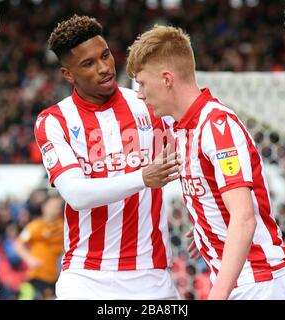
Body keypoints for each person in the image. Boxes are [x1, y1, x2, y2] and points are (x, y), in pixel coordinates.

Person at [126, 25, 285, 300]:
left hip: (260, 282)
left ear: (167, 79)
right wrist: (209, 230)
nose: (139, 93)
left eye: (142, 83)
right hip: (244, 281)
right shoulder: (183, 130)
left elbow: (244, 219)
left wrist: (217, 295)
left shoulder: (216, 126)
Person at [34, 15, 182, 300]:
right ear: (68, 75)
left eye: (105, 56)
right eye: (88, 64)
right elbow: (76, 194)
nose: (104, 68)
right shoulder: (54, 121)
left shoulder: (147, 104)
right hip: (87, 278)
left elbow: (189, 153)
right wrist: (142, 177)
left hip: (150, 276)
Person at [14, 194, 64, 299]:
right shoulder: (35, 226)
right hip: (36, 276)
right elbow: (18, 244)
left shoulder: (63, 227)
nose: (56, 208)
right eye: (52, 205)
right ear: (44, 207)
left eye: (58, 206)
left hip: (55, 278)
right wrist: (29, 259)